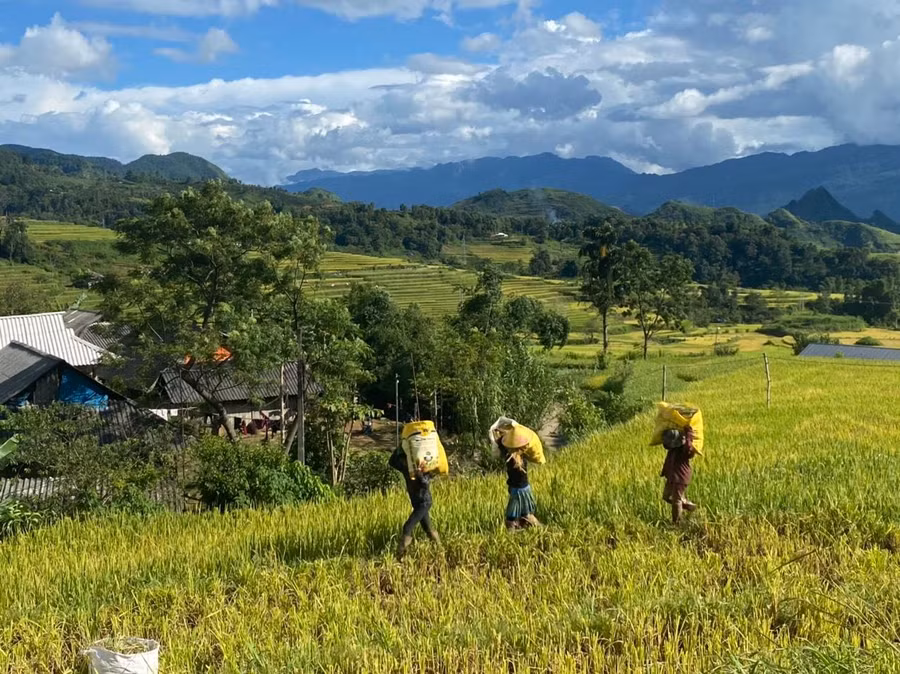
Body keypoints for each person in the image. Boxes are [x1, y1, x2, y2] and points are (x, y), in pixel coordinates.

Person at [389, 445, 440, 559]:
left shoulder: (423, 468)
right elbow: (392, 462)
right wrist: (402, 445)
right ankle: (440, 551)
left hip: (424, 502)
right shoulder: (406, 469)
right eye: (402, 460)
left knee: (407, 527)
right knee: (428, 528)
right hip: (417, 504)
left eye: (404, 460)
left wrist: (419, 474)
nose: (403, 462)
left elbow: (425, 484)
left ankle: (400, 557)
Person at [492, 420, 541, 530]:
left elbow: (501, 444)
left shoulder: (511, 457)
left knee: (518, 513)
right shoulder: (518, 458)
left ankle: (519, 527)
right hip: (522, 489)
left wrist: (498, 432)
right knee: (520, 513)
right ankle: (526, 526)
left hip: (520, 489)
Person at [660, 426, 698, 524]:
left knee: (676, 501)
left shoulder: (684, 450)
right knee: (666, 497)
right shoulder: (672, 450)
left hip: (680, 477)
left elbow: (689, 449)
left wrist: (689, 435)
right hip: (672, 477)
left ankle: (677, 522)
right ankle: (688, 505)